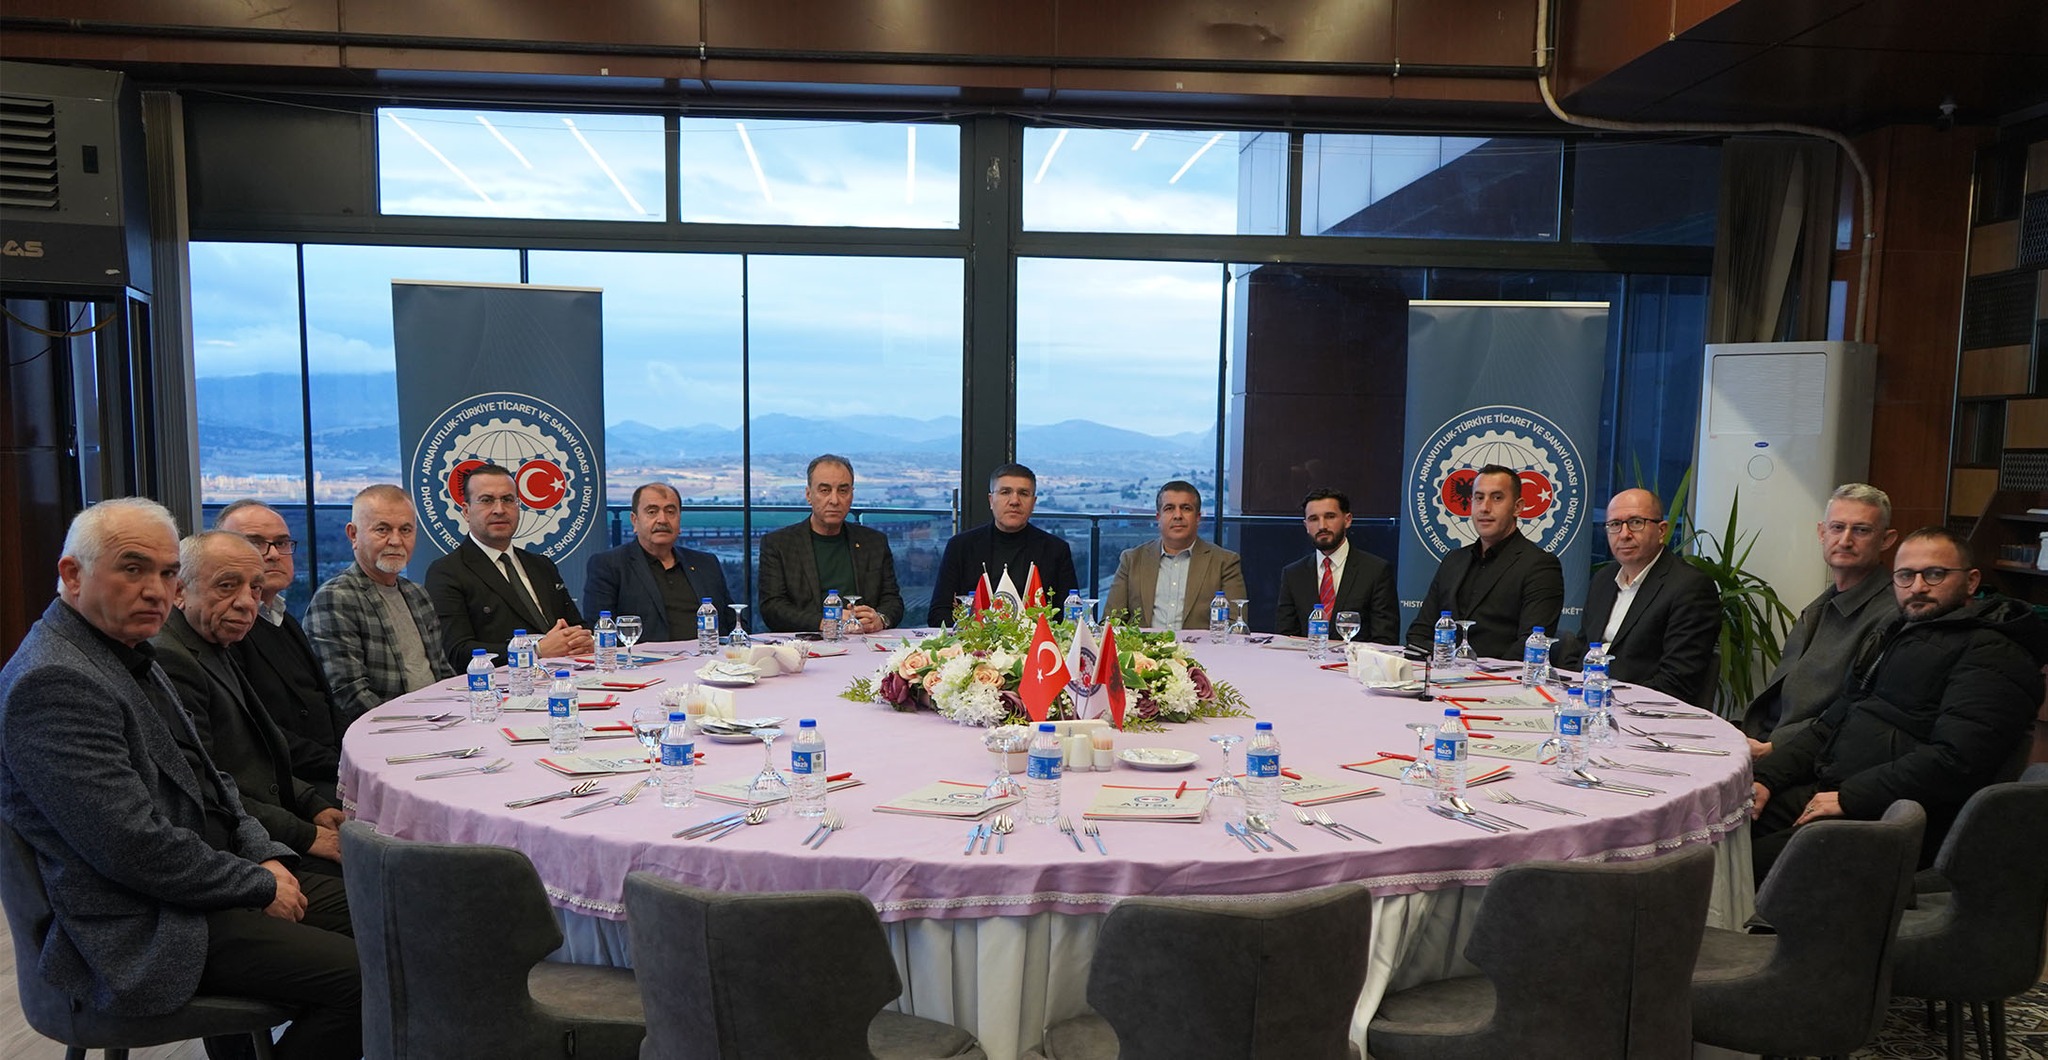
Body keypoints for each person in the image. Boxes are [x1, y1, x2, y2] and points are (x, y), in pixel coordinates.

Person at [0, 498, 360, 1060]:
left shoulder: (124, 649)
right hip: (139, 926)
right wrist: (256, 883)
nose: (156, 591)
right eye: (133, 568)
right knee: (372, 976)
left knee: (384, 914)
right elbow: (130, 847)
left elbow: (212, 783)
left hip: (192, 887)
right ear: (72, 574)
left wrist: (263, 854)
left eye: (167, 573)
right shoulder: (55, 680)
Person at [1750, 527, 2045, 876]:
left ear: (1971, 581)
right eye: (1905, 576)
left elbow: (1958, 761)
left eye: (1934, 574)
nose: (1917, 587)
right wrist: (1767, 778)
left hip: (1897, 818)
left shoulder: (1995, 653)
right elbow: (1831, 724)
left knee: (1738, 867)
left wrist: (1851, 797)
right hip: (1836, 790)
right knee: (1720, 826)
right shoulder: (1898, 633)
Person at [154, 532, 346, 875]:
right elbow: (205, 789)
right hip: (235, 852)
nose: (247, 603)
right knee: (374, 889)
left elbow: (261, 752)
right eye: (227, 586)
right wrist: (306, 834)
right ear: (179, 591)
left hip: (270, 818)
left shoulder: (213, 639)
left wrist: (311, 804)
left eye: (255, 588)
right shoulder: (172, 658)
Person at [1743, 483, 1902, 756]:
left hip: (1803, 755)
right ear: (1822, 532)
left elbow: (1858, 711)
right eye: (1837, 527)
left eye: (1861, 530)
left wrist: (1773, 748)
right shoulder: (1821, 606)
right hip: (1763, 739)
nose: (1845, 540)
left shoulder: (1891, 616)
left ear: (1887, 540)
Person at [213, 500, 350, 797]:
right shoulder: (228, 629)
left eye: (282, 543)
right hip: (291, 784)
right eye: (256, 543)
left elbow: (327, 704)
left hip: (332, 765)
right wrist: (342, 764)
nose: (274, 554)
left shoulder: (283, 617)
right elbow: (256, 735)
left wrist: (356, 753)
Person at [1553, 489, 1721, 705]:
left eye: (1635, 523)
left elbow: (1677, 681)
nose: (1624, 534)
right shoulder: (1604, 579)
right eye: (1615, 524)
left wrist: (1608, 701)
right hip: (1587, 702)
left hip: (1642, 711)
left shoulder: (1690, 587)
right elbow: (1581, 648)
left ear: (1662, 531)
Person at [305, 484, 457, 720]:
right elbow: (350, 695)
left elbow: (442, 673)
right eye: (382, 529)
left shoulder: (417, 594)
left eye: (405, 530)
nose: (396, 541)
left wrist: (460, 712)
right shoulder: (336, 598)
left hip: (440, 721)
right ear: (353, 535)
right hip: (389, 731)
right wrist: (419, 726)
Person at [425, 462, 593, 669]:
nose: (499, 510)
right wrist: (535, 652)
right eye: (486, 500)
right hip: (499, 685)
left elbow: (577, 626)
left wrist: (581, 639)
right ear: (466, 511)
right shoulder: (448, 572)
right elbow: (457, 652)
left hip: (564, 677)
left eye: (507, 500)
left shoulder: (541, 565)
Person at [1405, 464, 1564, 660]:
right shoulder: (1453, 560)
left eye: (1497, 498)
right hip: (1443, 674)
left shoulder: (1540, 566)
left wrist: (1474, 672)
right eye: (1479, 498)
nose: (1485, 508)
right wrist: (1447, 666)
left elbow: (1531, 644)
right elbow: (1419, 634)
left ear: (1518, 507)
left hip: (1501, 677)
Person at [757, 456, 904, 634]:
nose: (834, 500)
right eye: (825, 490)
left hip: (863, 640)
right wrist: (825, 622)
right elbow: (772, 608)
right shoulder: (779, 544)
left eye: (843, 491)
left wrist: (881, 619)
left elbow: (893, 600)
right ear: (809, 495)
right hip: (807, 642)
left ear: (851, 495)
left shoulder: (874, 542)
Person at [927, 463, 1079, 626]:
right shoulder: (960, 546)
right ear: (991, 500)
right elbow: (938, 614)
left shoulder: (1055, 550)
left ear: (1033, 502)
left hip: (1036, 640)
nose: (1014, 501)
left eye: (1023, 493)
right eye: (1005, 492)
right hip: (976, 640)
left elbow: (1069, 616)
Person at [584, 481, 737, 641]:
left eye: (670, 512)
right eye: (652, 512)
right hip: (640, 657)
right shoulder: (608, 565)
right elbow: (600, 633)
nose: (662, 520)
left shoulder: (706, 563)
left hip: (708, 655)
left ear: (679, 520)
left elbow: (732, 624)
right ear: (634, 521)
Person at [1105, 480, 1250, 630]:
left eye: (1186, 508)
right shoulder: (1132, 560)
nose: (1178, 515)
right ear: (1158, 517)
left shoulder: (1225, 562)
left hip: (1201, 646)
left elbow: (1235, 625)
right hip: (1144, 645)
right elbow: (1111, 622)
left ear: (1198, 517)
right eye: (1169, 508)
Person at [1273, 488, 1397, 642]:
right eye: (1313, 519)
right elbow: (1285, 637)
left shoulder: (1376, 571)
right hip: (1306, 657)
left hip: (1355, 657)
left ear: (1348, 520)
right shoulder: (1293, 574)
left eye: (1330, 516)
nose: (1322, 526)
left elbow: (1385, 640)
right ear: (1306, 525)